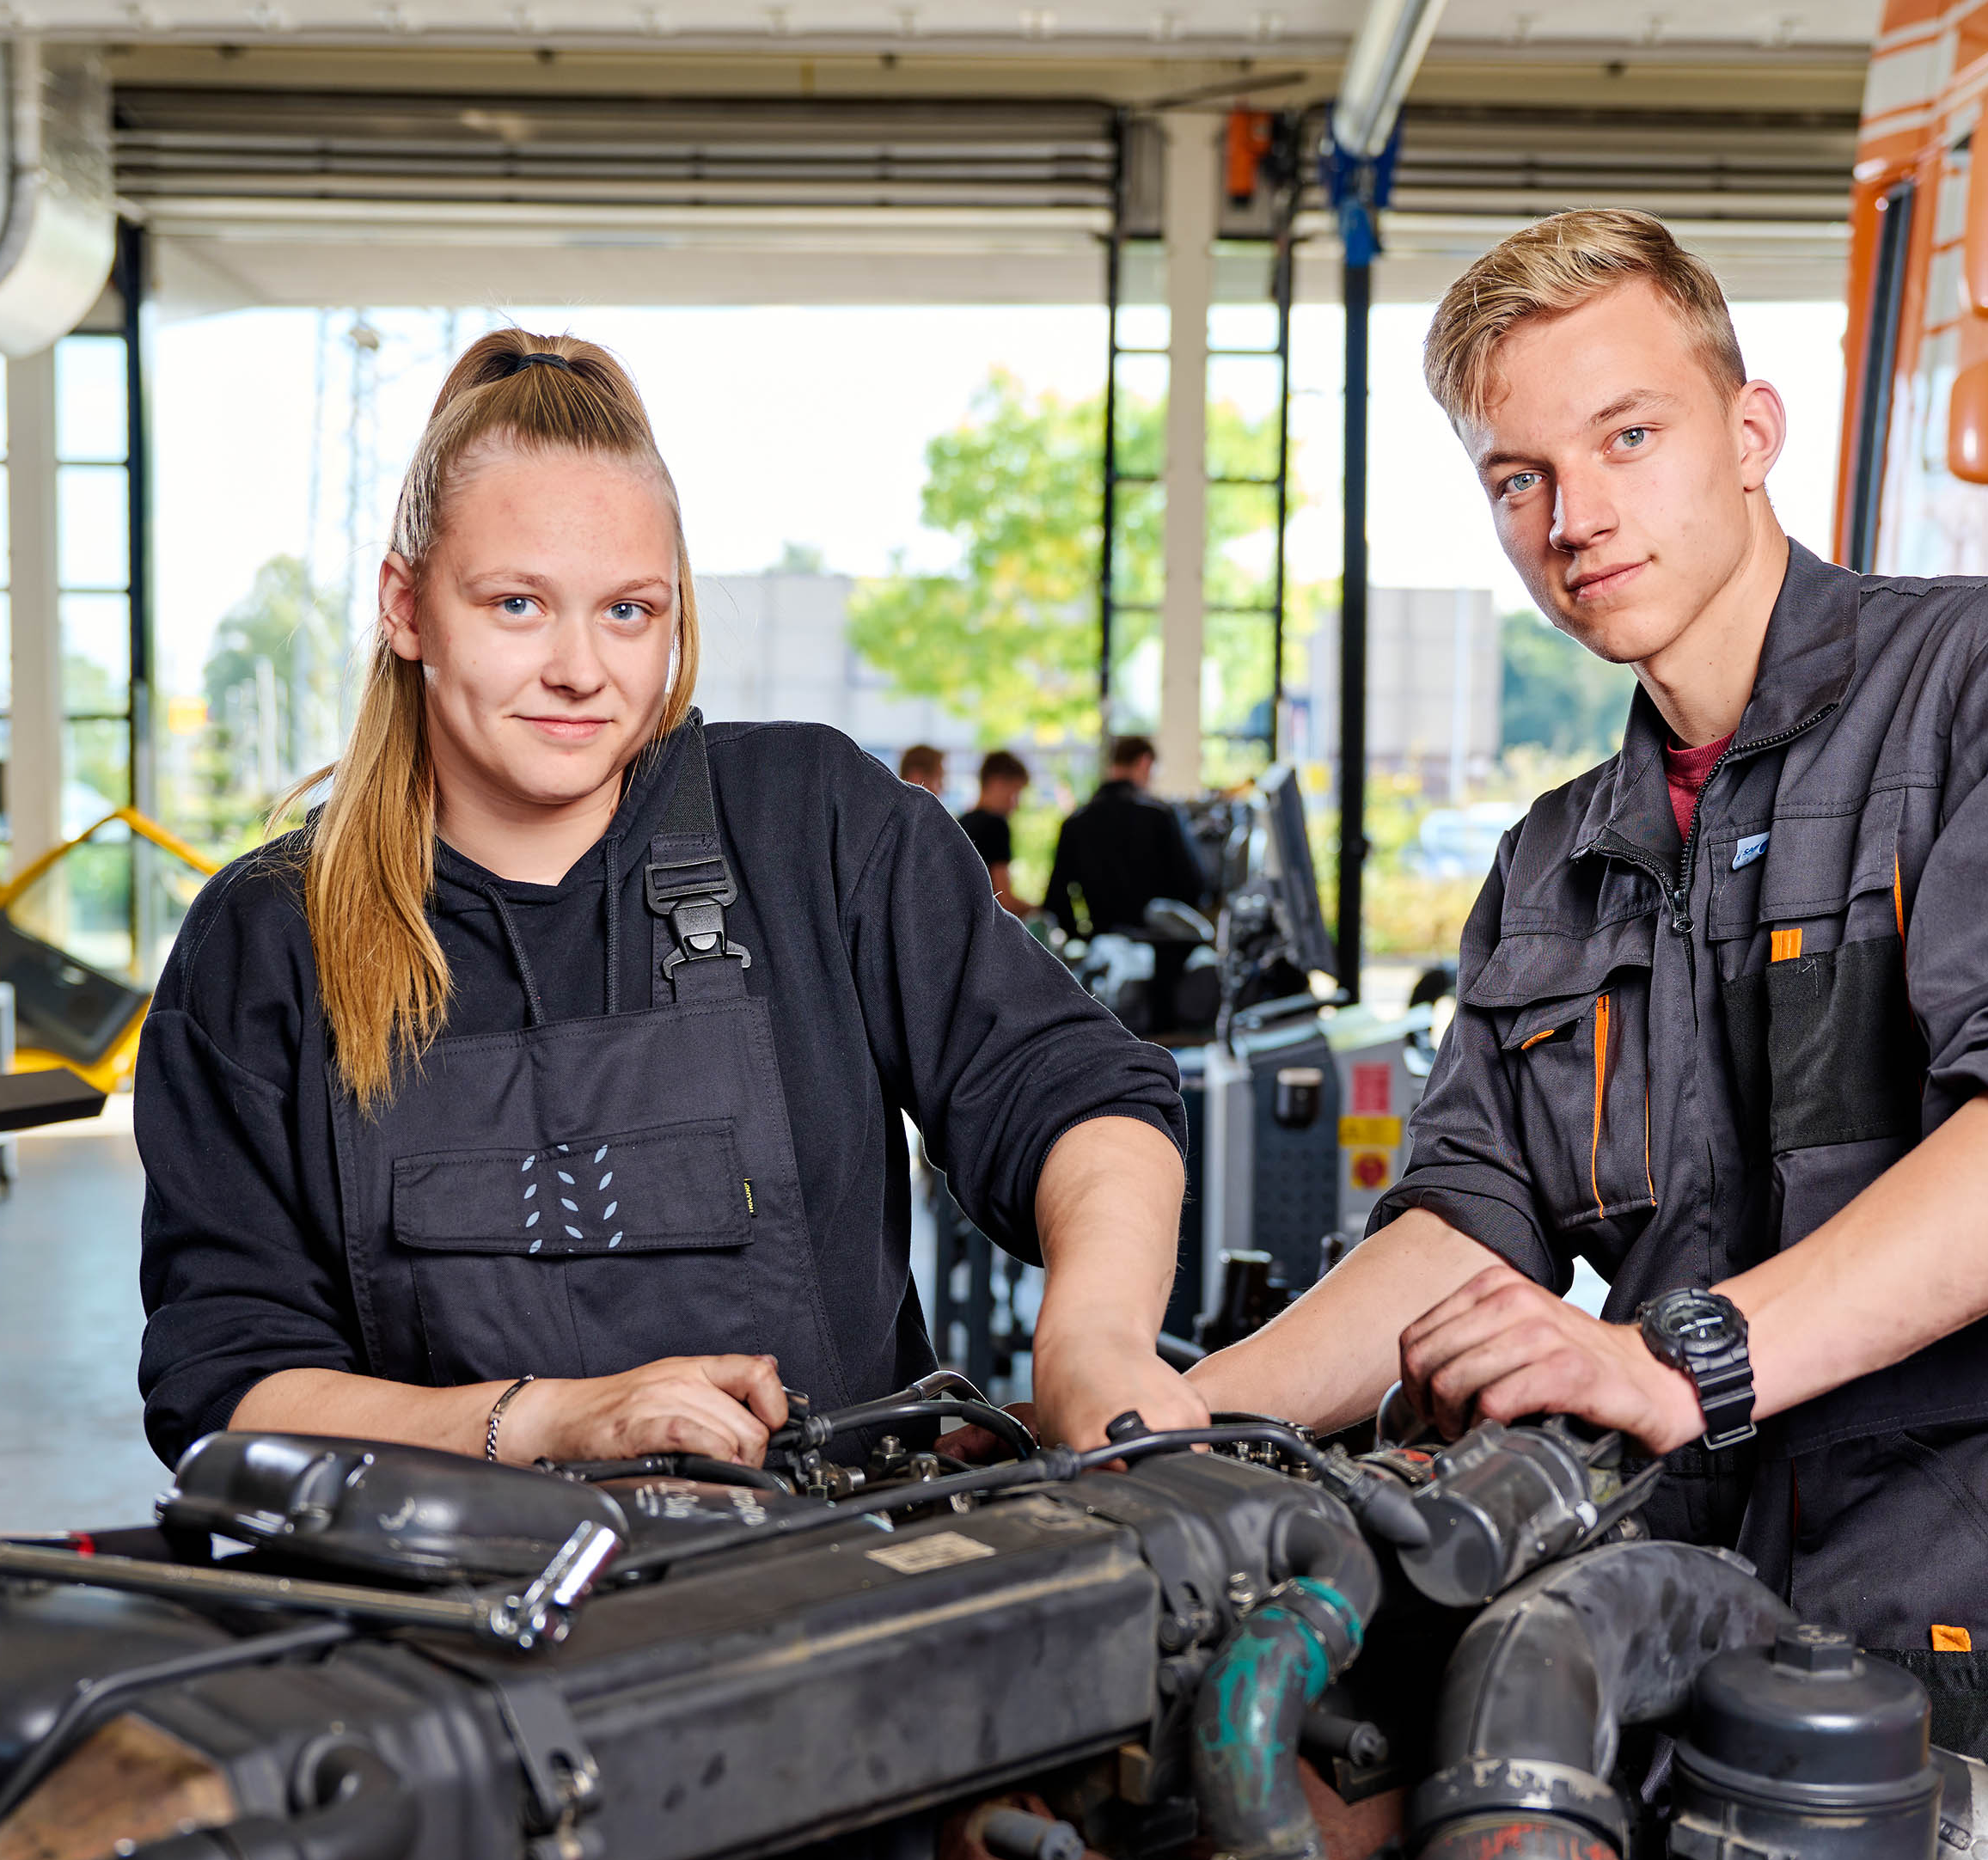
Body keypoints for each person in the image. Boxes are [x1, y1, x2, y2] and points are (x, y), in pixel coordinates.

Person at [1190, 210, 1988, 1860]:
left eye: (1626, 436)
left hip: (1979, 1618)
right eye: (1518, 475)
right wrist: (1188, 1420)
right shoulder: (1559, 861)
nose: (1572, 512)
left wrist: (1685, 1358)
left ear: (1750, 428)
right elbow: (1463, 1216)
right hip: (1660, 1634)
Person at [139, 331, 1205, 1471]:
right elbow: (229, 1380)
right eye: (516, 605)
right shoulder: (268, 941)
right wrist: (548, 1420)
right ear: (406, 608)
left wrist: (1092, 1339)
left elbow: (1076, 1091)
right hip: (450, 1618)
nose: (580, 670)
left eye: (629, 612)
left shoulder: (814, 826)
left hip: (836, 1589)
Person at [1042, 735, 1209, 938]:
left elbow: (1056, 900)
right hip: (1162, 951)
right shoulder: (1161, 816)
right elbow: (1193, 887)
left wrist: (1083, 939)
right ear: (1145, 762)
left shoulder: (1075, 823)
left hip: (1102, 946)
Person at [958, 748, 1036, 916]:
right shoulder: (996, 825)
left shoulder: (960, 822)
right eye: (1016, 793)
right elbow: (1003, 900)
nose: (1017, 804)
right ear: (997, 783)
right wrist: (1040, 909)